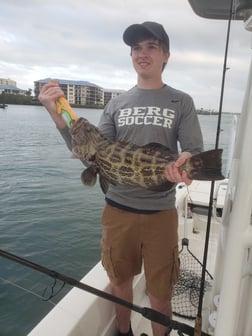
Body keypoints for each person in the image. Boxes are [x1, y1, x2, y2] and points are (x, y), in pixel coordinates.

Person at [39, 21, 203, 336]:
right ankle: (124, 333)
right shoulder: (116, 103)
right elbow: (91, 152)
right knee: (120, 281)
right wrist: (56, 115)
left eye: (151, 46)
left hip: (160, 213)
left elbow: (192, 152)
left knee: (160, 291)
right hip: (117, 211)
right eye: (136, 48)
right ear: (131, 56)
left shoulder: (181, 101)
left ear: (165, 55)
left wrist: (185, 164)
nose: (143, 54)